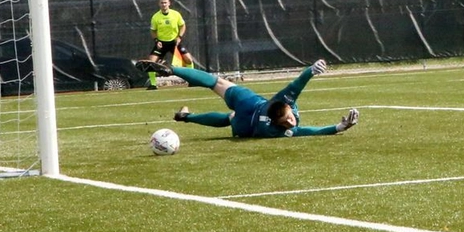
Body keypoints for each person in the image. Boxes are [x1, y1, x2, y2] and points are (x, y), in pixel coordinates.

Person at [136, 59, 359, 138]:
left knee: (217, 83)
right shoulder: (279, 125)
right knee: (227, 114)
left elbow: (297, 84)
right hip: (246, 121)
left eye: (289, 120)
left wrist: (312, 70)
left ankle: (172, 69)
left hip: (249, 108)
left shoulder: (278, 107)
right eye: (289, 120)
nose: (292, 122)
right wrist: (339, 127)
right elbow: (311, 130)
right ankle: (184, 116)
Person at [144, 0, 194, 90]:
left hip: (174, 42)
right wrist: (156, 41)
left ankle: (192, 80)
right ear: (159, 4)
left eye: (165, 2)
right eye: (162, 3)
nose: (164, 4)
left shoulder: (176, 14)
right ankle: (153, 85)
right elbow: (153, 30)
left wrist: (179, 37)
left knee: (188, 59)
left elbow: (182, 26)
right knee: (150, 63)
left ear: (169, 3)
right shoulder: (155, 17)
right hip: (161, 44)